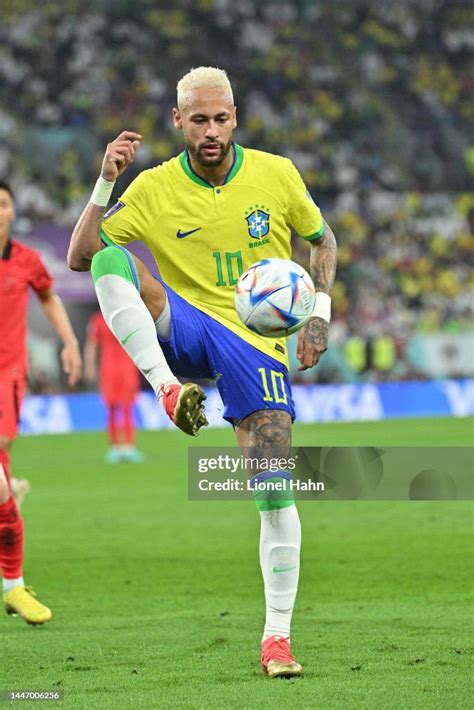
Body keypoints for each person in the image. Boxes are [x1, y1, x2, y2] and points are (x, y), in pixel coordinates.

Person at [68, 67, 337, 677]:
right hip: (185, 323)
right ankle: (167, 389)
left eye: (220, 118)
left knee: (273, 484)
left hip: (257, 343)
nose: (211, 131)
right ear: (178, 121)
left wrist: (318, 316)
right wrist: (105, 182)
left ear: (235, 117)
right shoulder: (155, 186)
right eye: (198, 120)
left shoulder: (277, 173)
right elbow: (81, 256)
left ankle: (277, 639)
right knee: (114, 254)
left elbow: (325, 243)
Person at [0, 180, 82, 625]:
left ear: (14, 211)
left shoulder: (28, 261)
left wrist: (69, 341)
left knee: (2, 448)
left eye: (3, 204)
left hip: (8, 376)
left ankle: (13, 584)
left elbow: (49, 298)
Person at [84, 310, 144, 463]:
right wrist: (89, 366)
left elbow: (140, 341)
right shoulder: (98, 319)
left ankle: (129, 446)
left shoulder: (128, 315)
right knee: (110, 408)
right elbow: (91, 344)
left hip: (127, 368)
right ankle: (115, 447)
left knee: (127, 407)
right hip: (109, 369)